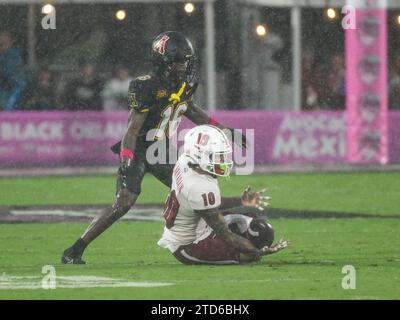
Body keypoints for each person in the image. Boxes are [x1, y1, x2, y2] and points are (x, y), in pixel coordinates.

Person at [61, 31, 247, 264]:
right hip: (140, 148)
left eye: (186, 61)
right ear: (164, 61)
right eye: (180, 61)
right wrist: (127, 155)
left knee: (197, 191)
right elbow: (133, 128)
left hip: (163, 149)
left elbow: (191, 110)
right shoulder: (145, 86)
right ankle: (75, 249)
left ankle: (215, 241)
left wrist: (225, 130)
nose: (184, 66)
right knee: (123, 203)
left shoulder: (185, 83)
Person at [158, 125, 289, 265]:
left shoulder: (186, 160)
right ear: (199, 155)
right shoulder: (198, 186)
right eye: (216, 156)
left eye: (222, 155)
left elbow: (207, 205)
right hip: (188, 245)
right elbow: (225, 234)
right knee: (250, 255)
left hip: (200, 224)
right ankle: (246, 254)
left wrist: (240, 201)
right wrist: (256, 252)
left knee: (261, 227)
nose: (222, 161)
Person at [0, 31, 26, 111]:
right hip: (5, 85)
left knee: (9, 104)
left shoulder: (15, 54)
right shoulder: (3, 55)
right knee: (4, 104)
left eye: (5, 41)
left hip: (16, 85)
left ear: (10, 42)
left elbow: (8, 71)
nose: (3, 43)